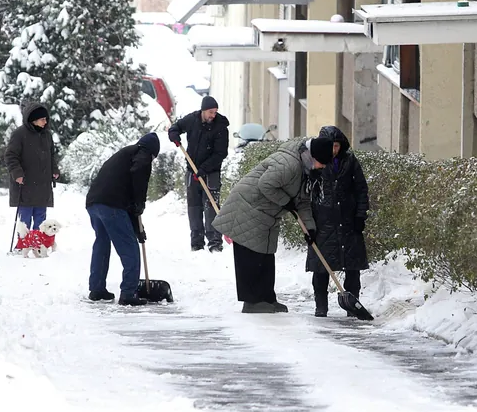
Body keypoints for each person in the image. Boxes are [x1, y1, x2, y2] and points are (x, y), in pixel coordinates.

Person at [213, 136, 335, 314]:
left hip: (265, 213)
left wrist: (310, 228)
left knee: (266, 255)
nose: (322, 167)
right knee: (251, 256)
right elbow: (266, 184)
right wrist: (286, 201)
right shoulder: (289, 164)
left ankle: (267, 298)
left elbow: (302, 202)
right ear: (312, 157)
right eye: (321, 163)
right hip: (248, 207)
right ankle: (252, 302)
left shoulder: (306, 169)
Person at [84, 133, 160, 305]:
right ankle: (128, 293)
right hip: (111, 205)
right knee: (130, 248)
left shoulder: (124, 154)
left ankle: (96, 290)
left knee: (102, 244)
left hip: (94, 203)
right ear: (152, 152)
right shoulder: (143, 155)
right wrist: (140, 202)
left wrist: (137, 227)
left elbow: (127, 198)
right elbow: (138, 177)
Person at [307, 126, 370, 318]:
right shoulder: (314, 163)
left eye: (336, 146)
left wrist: (360, 215)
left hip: (348, 221)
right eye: (330, 146)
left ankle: (353, 304)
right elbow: (306, 194)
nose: (333, 150)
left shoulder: (349, 161)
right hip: (323, 223)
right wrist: (309, 223)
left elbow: (361, 189)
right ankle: (321, 306)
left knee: (352, 266)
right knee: (321, 266)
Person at [167, 96, 230, 252]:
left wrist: (203, 169)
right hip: (192, 171)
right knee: (194, 207)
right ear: (203, 110)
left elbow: (220, 153)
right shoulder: (192, 119)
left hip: (211, 172)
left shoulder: (220, 126)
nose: (213, 115)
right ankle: (196, 243)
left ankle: (215, 243)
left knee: (211, 206)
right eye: (210, 112)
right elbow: (176, 127)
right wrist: (173, 134)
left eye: (215, 112)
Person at [4, 101, 60, 231]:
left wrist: (54, 170)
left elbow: (51, 156)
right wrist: (17, 173)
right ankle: (23, 245)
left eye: (46, 119)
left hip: (43, 185)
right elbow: (10, 156)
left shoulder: (47, 135)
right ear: (33, 120)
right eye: (42, 119)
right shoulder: (19, 134)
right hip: (25, 183)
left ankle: (37, 246)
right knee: (25, 219)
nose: (45, 122)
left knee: (41, 219)